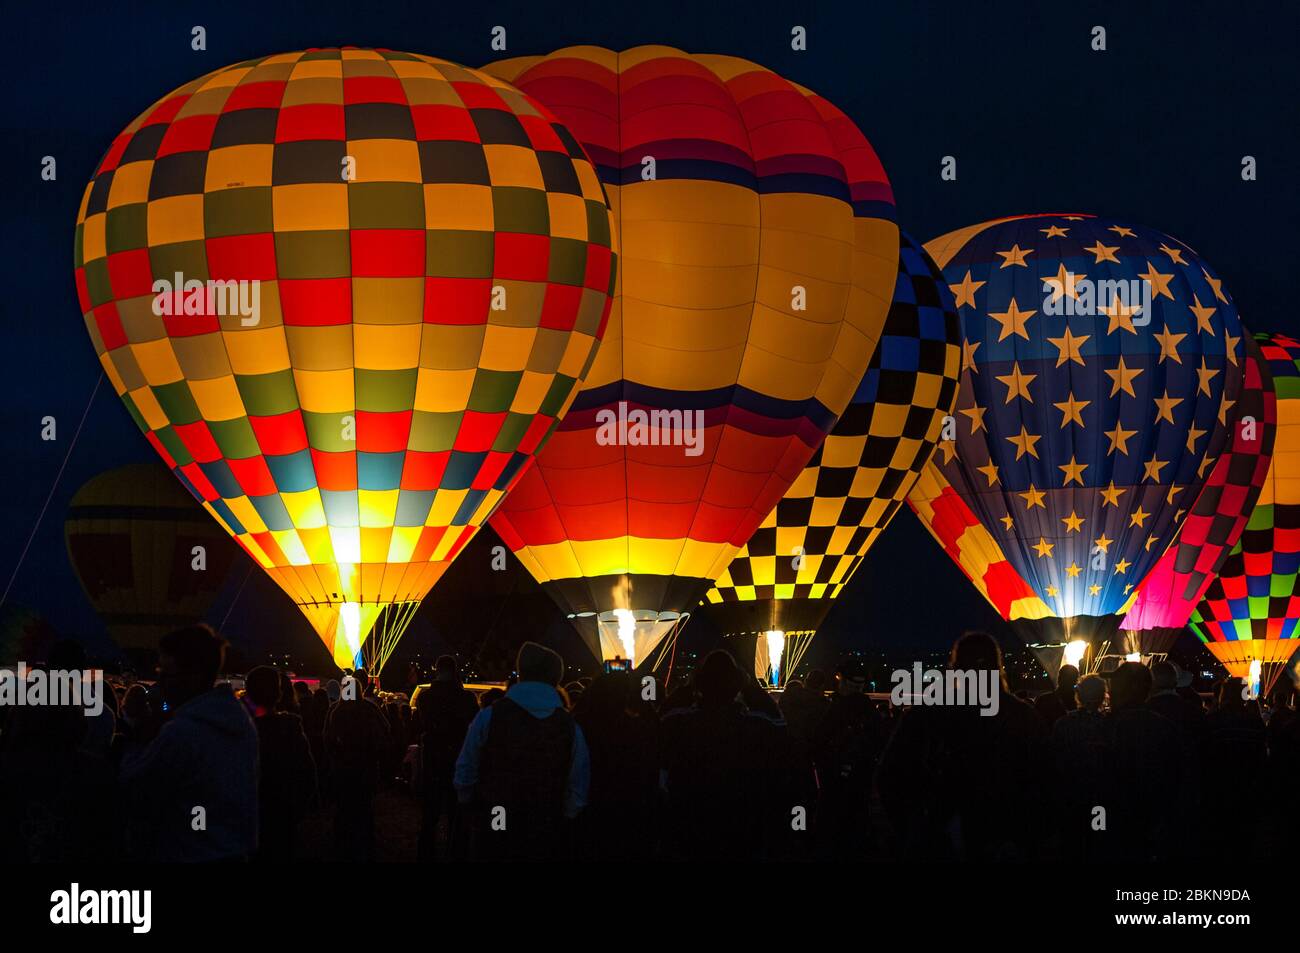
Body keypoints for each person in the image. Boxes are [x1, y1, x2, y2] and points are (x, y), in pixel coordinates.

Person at [877, 631, 1049, 862]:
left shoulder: (927, 713)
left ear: (956, 668)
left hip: (940, 835)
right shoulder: (1023, 716)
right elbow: (1044, 781)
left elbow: (889, 774)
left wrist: (913, 828)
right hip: (1003, 837)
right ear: (998, 668)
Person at [118, 624, 258, 862]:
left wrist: (137, 734)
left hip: (187, 852)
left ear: (193, 676)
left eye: (166, 673)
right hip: (232, 850)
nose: (160, 681)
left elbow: (134, 786)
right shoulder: (240, 723)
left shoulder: (183, 732)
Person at [455, 641, 590, 860]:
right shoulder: (569, 726)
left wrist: (468, 802)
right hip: (545, 821)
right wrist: (566, 815)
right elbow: (578, 782)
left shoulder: (490, 716)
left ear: (522, 673)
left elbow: (466, 766)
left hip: (498, 813)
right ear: (556, 678)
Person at [658, 650, 783, 861]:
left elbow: (661, 716)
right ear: (737, 685)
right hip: (741, 824)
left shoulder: (678, 723)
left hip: (690, 823)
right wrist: (749, 685)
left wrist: (689, 686)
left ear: (699, 684)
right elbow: (779, 722)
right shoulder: (757, 725)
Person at [244, 666, 317, 862]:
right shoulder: (290, 728)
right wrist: (296, 810)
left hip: (249, 819)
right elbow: (308, 774)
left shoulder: (237, 731)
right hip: (282, 815)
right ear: (278, 694)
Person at [415, 655, 479, 861]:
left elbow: (418, 726)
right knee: (456, 812)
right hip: (457, 760)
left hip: (433, 759)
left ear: (436, 669)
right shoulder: (467, 698)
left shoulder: (425, 698)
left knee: (430, 813)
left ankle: (425, 853)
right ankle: (457, 852)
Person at [323, 668, 391, 861]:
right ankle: (365, 846)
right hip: (365, 768)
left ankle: (342, 845)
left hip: (342, 768)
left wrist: (335, 757)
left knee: (344, 808)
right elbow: (385, 732)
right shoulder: (370, 710)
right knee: (364, 808)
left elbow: (327, 739)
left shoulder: (334, 711)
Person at [1049, 674, 1113, 860]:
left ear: (1079, 695)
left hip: (1071, 796)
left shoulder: (1064, 724)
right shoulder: (1109, 724)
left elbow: (1054, 760)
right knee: (1098, 839)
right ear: (1103, 696)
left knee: (1073, 841)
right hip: (1100, 798)